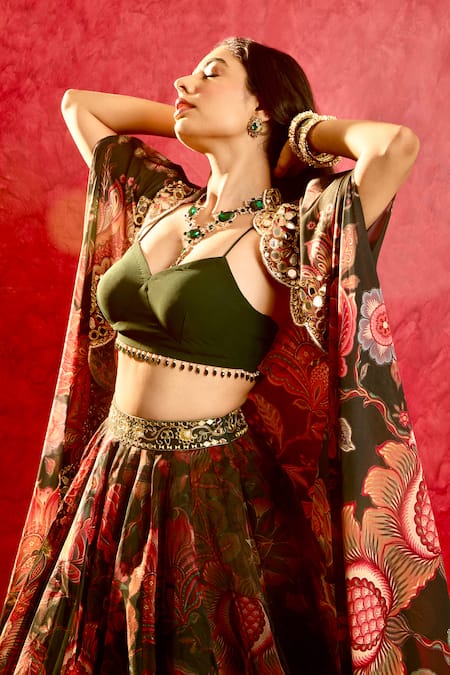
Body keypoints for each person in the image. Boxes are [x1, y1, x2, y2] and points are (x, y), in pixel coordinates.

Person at [0, 37, 448, 674]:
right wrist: (198, 120)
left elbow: (394, 146)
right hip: (112, 470)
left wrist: (297, 132)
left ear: (261, 108)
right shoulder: (161, 200)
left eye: (210, 73)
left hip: (206, 489)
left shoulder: (295, 230)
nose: (183, 83)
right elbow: (81, 106)